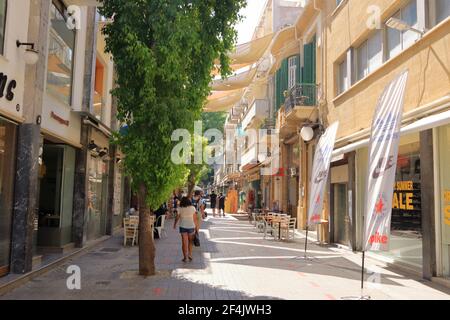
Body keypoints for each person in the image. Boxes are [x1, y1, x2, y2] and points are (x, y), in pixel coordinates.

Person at [173, 197, 199, 262]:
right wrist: (196, 228)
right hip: (191, 226)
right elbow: (195, 218)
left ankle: (185, 257)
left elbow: (177, 217)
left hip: (183, 226)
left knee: (184, 243)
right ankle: (190, 254)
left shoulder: (179, 208)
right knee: (190, 242)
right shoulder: (193, 208)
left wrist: (175, 224)